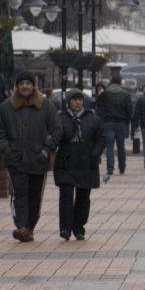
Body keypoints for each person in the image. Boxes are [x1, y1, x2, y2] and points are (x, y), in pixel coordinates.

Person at [0, 71, 61, 242]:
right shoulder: (6, 107)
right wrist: (7, 150)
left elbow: (57, 130)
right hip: (16, 160)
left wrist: (46, 150)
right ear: (17, 86)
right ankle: (21, 226)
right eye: (21, 83)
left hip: (38, 159)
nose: (24, 86)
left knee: (35, 196)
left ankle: (30, 227)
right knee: (19, 192)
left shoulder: (46, 105)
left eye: (28, 83)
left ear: (33, 86)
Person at [54, 90, 104, 241]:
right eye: (74, 100)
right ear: (69, 102)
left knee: (83, 197)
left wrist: (94, 154)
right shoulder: (61, 118)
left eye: (79, 99)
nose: (77, 102)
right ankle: (65, 227)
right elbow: (55, 137)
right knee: (66, 196)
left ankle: (79, 227)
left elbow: (100, 138)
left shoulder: (93, 118)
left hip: (86, 162)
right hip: (66, 162)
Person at [96, 76, 133, 180]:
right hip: (121, 123)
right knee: (121, 146)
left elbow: (99, 108)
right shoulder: (125, 94)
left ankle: (110, 167)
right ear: (120, 82)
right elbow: (129, 110)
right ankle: (122, 166)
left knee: (109, 146)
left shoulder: (105, 93)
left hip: (108, 123)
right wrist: (127, 121)